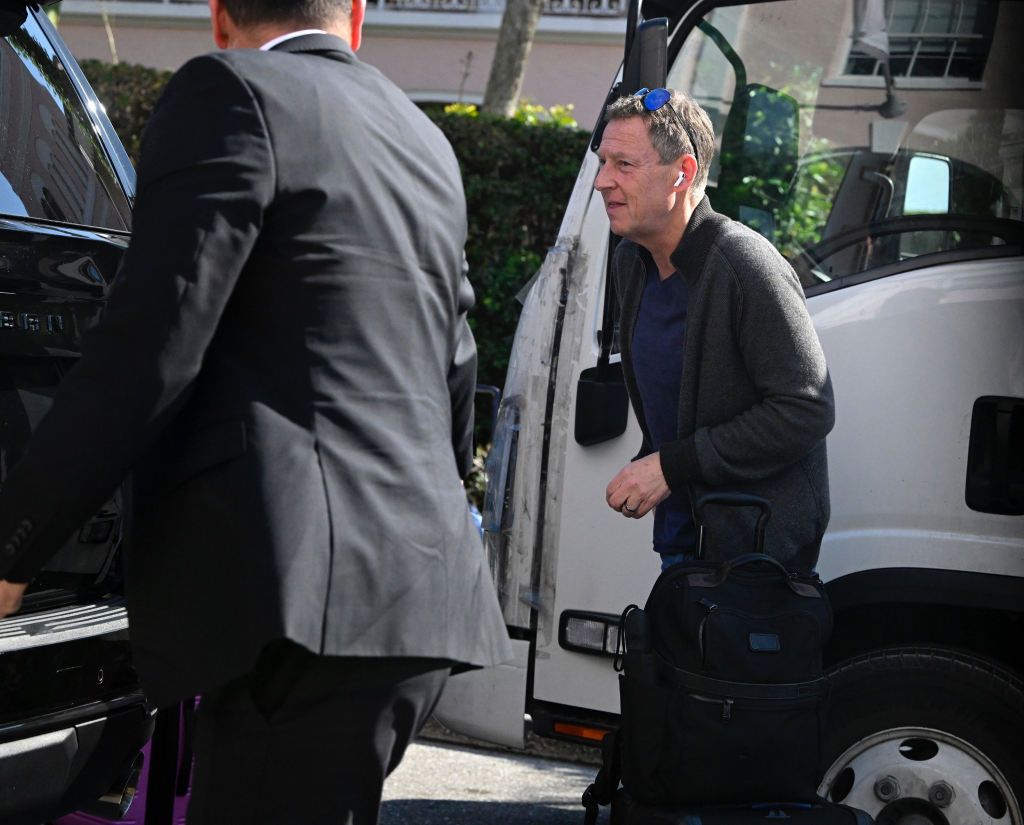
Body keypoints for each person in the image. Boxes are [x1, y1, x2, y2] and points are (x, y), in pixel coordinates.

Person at [0, 0, 512, 820]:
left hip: (302, 612)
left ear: (217, 16)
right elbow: (454, 364)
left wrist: (14, 544)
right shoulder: (422, 139)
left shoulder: (228, 93)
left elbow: (151, 343)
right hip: (411, 594)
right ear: (356, 14)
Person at [596, 89, 835, 573]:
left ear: (682, 173)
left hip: (755, 562)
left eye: (623, 164)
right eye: (603, 162)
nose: (602, 181)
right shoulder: (631, 260)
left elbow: (806, 409)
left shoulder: (745, 265)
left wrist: (671, 465)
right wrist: (655, 463)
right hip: (683, 544)